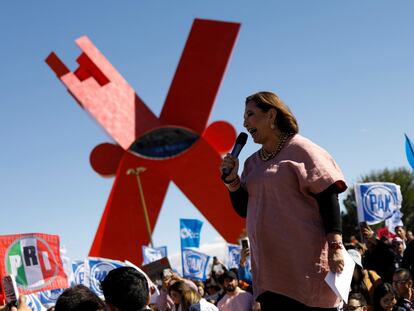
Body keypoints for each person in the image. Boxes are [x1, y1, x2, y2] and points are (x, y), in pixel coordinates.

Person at [220, 91, 347, 310]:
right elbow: (244, 209)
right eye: (244, 116)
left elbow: (328, 196)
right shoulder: (252, 163)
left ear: (271, 115)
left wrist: (336, 246)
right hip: (270, 273)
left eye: (250, 114)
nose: (244, 122)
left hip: (303, 268)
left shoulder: (303, 150)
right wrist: (232, 180)